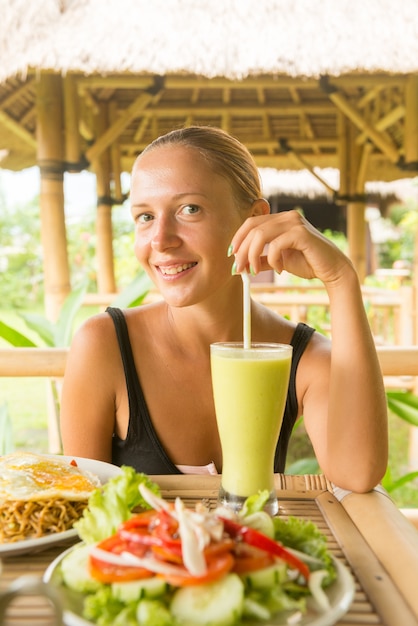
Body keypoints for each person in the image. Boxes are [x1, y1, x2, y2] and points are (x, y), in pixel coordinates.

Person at [60, 125, 388, 493]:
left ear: (254, 218)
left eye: (190, 209)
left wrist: (341, 280)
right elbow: (83, 507)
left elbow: (358, 474)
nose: (161, 240)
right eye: (145, 216)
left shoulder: (302, 357)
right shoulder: (104, 346)